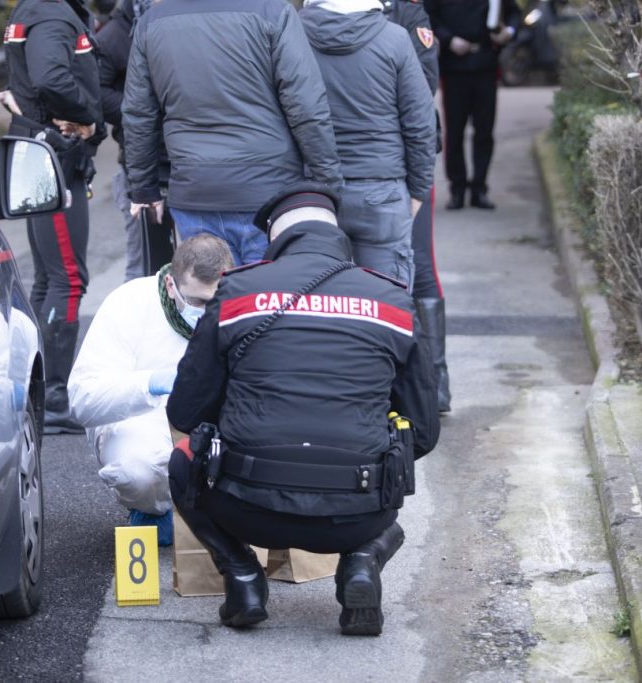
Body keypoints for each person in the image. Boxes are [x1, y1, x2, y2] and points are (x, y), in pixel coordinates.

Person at [166, 185, 440, 635]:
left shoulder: (237, 292)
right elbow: (424, 433)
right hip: (357, 514)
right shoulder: (393, 301)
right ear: (339, 235)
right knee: (390, 466)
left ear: (275, 238)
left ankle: (243, 575)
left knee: (182, 460)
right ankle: (362, 562)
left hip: (245, 506)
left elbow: (186, 410)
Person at [121, 0, 343, 267]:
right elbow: (306, 106)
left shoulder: (152, 22)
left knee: (211, 300)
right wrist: (327, 184)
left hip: (196, 189)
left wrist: (144, 189)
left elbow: (139, 114)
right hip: (268, 191)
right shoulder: (273, 12)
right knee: (267, 300)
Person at [68, 235, 234, 545]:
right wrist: (150, 383)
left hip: (218, 424)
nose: (206, 311)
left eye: (215, 302)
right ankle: (154, 509)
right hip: (145, 422)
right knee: (138, 470)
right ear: (171, 285)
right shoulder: (128, 302)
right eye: (197, 302)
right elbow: (83, 400)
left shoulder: (241, 304)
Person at [1, 0, 104, 433]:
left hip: (38, 152)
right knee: (67, 279)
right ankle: (56, 399)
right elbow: (50, 77)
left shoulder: (35, 8)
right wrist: (89, 118)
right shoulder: (52, 14)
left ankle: (41, 393)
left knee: (49, 278)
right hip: (55, 155)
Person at [299, 0, 435, 292]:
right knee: (386, 308)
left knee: (320, 309)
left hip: (313, 193)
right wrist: (420, 189)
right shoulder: (395, 38)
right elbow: (420, 122)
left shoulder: (293, 35)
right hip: (382, 192)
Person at [382, 0, 452, 411]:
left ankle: (436, 382)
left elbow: (425, 85)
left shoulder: (408, 13)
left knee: (420, 266)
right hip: (360, 160)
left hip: (410, 157)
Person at [95, 0, 172, 282]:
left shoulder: (175, 23)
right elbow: (98, 94)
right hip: (141, 162)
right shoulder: (114, 35)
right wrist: (141, 110)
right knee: (145, 265)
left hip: (184, 161)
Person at [425, 0, 520, 210]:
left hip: (485, 65)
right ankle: (457, 189)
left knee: (484, 132)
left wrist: (509, 32)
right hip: (454, 69)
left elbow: (514, 13)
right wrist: (449, 39)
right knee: (455, 131)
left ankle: (479, 188)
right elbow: (428, 16)